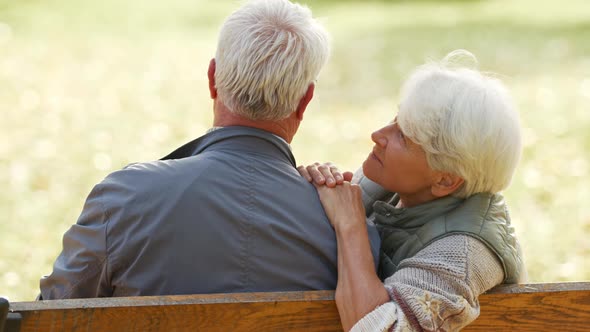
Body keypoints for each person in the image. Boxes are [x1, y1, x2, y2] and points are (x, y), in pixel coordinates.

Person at [39, 0, 380, 299]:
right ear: (305, 101)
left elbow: (55, 312)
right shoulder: (351, 233)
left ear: (212, 77)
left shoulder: (123, 198)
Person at [299, 50, 525, 331]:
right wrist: (317, 187)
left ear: (445, 181)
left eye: (402, 136)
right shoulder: (390, 186)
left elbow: (378, 328)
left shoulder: (468, 251)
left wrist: (350, 223)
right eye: (395, 119)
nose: (378, 135)